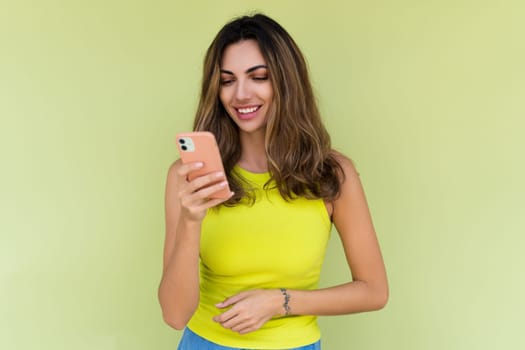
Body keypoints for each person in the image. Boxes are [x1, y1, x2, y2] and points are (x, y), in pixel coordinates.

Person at [158, 13, 388, 350]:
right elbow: (174, 314)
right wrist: (191, 221)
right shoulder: (188, 176)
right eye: (227, 80)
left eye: (259, 77)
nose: (241, 94)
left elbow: (374, 290)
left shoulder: (332, 174)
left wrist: (280, 302)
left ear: (285, 81)